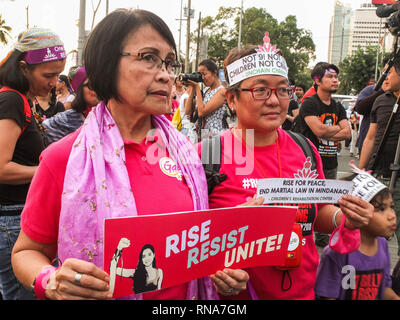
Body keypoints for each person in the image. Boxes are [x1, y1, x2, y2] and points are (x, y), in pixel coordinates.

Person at [11, 9, 246, 300]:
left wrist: (222, 270)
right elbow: (26, 251)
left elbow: (192, 246)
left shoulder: (187, 156)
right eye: (148, 58)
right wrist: (51, 280)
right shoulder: (64, 158)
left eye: (169, 63)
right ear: (106, 65)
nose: (165, 75)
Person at [199, 33, 373, 300]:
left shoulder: (304, 147)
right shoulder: (207, 155)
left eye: (282, 90)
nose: (274, 100)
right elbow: (189, 239)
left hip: (303, 292)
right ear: (232, 99)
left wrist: (343, 218)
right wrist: (220, 261)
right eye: (260, 90)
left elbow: (316, 213)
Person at [0, 27, 66, 300]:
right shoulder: (12, 100)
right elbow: (1, 167)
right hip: (12, 219)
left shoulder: (21, 99)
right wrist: (48, 171)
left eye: (58, 75)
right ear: (25, 68)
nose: (54, 82)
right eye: (48, 75)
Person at [315, 171, 399, 300]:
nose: (392, 216)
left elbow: (385, 289)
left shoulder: (382, 244)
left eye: (391, 207)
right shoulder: (336, 253)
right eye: (381, 209)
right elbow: (328, 296)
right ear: (355, 213)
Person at [359, 57, 400, 256]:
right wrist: (361, 170)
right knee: (372, 231)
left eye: (389, 72)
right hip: (378, 176)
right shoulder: (381, 100)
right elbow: (370, 137)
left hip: (397, 179)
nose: (385, 77)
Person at [42, 66, 99, 144]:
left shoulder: (107, 114)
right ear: (79, 89)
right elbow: (42, 130)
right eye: (90, 85)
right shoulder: (67, 117)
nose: (97, 89)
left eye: (99, 84)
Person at [184, 59, 228, 140]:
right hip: (202, 134)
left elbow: (201, 112)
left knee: (210, 153)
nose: (202, 78)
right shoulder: (205, 91)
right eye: (200, 75)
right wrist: (193, 87)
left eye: (204, 74)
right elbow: (187, 111)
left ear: (214, 73)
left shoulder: (222, 91)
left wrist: (197, 87)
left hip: (215, 135)